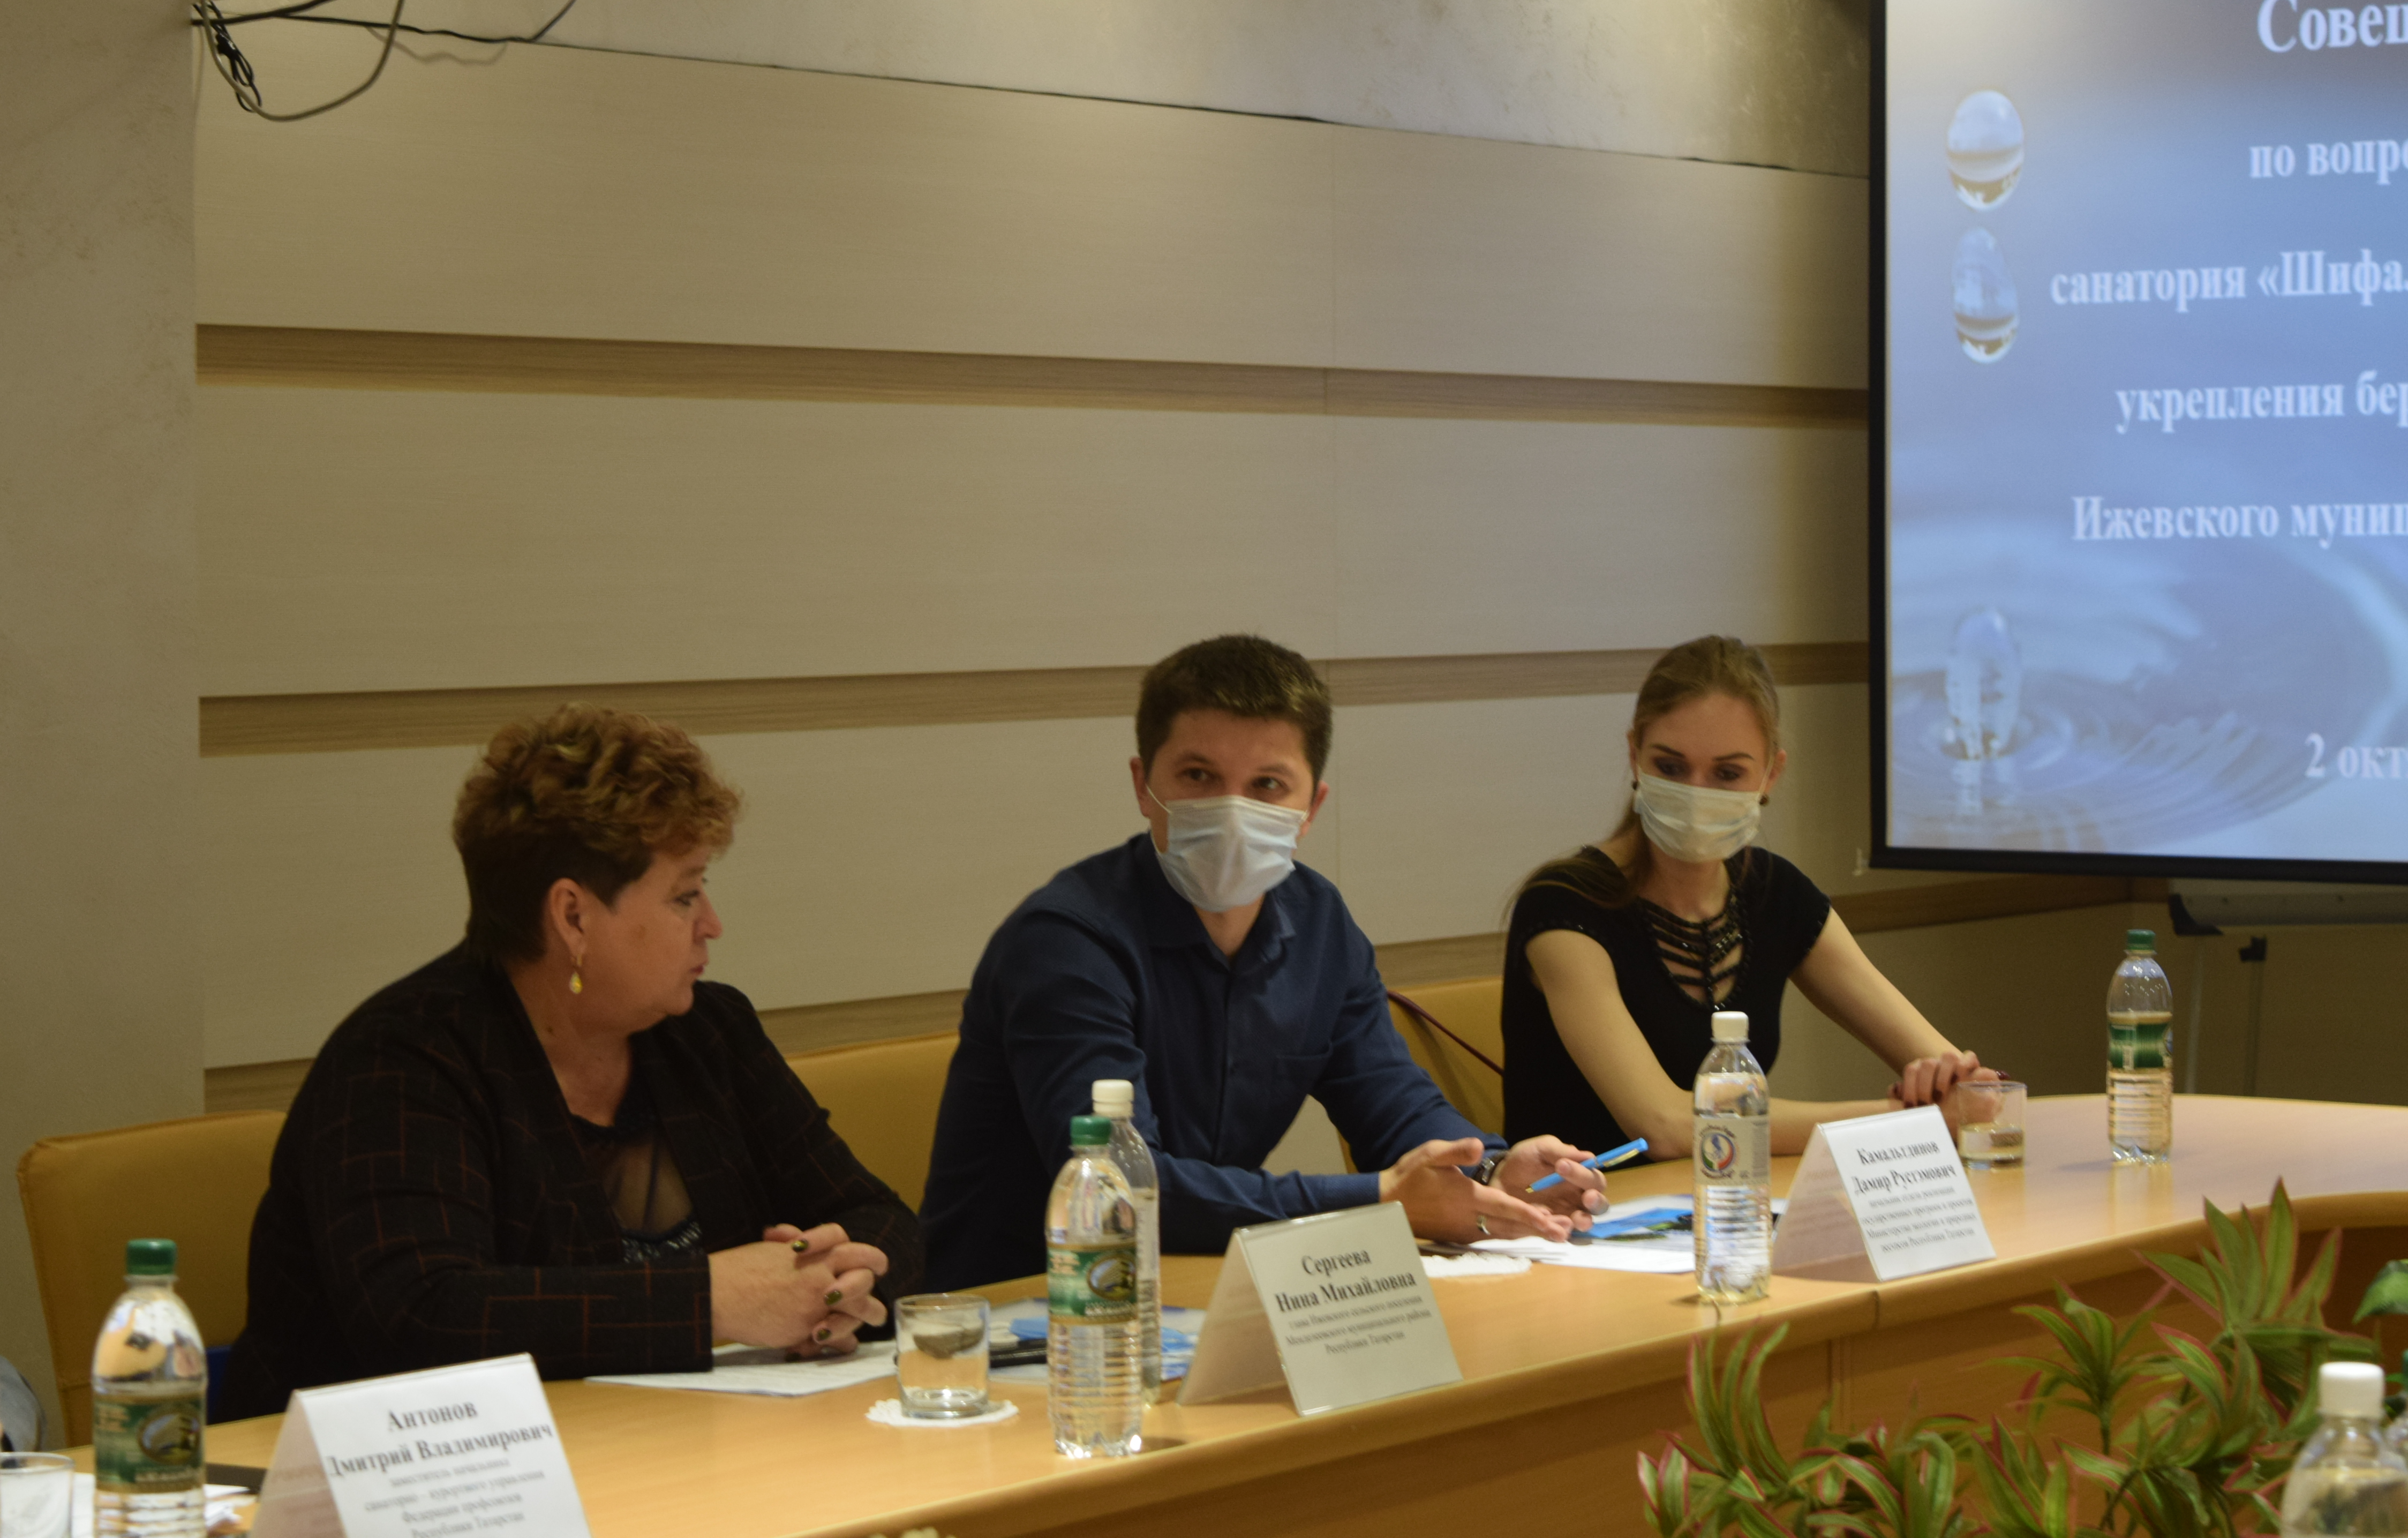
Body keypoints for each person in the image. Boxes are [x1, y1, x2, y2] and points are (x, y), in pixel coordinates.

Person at [220, 707, 921, 1419]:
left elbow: (878, 1216)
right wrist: (711, 1301)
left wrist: (840, 1289)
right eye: (684, 895)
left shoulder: (707, 1033)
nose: (712, 924)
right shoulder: (402, 1061)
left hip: (665, 1443)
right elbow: (423, 1314)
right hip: (390, 1469)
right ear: (573, 917)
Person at [919, 635, 1606, 1292]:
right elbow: (1124, 1188)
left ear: (1312, 807)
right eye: (1198, 776)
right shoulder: (1067, 941)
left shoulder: (1318, 921)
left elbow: (1390, 1100)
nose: (1232, 810)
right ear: (1142, 784)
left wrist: (1487, 1169)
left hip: (1191, 1288)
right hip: (1026, 1310)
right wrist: (1378, 1198)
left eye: (1268, 784)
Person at [1502, 635, 1993, 1157]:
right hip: (1581, 1204)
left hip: (1732, 1194)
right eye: (1670, 767)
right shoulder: (1564, 906)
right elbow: (1663, 1125)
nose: (1696, 792)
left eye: (1727, 773)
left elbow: (1962, 1082)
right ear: (1634, 756)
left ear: (1770, 775)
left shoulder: (1774, 892)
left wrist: (1959, 1086)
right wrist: (1905, 1121)